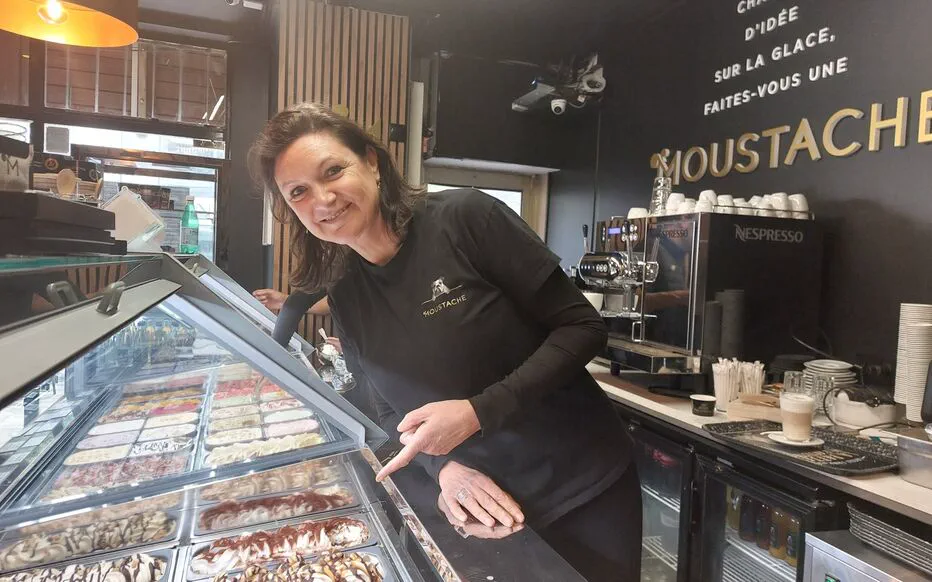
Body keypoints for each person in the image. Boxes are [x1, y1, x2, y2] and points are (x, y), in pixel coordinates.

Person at [249, 102, 641, 580]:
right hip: (484, 511)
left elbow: (583, 328)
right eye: (299, 192)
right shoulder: (345, 292)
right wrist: (446, 471)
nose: (323, 199)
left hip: (582, 486)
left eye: (333, 171)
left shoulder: (465, 218)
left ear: (372, 162)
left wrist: (477, 412)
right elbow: (388, 410)